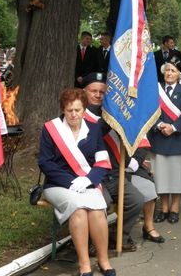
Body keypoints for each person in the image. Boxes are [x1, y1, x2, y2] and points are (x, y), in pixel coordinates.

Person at [38, 88, 116, 276]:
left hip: (86, 182)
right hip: (58, 184)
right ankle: (84, 264)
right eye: (69, 110)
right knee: (79, 210)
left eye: (78, 110)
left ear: (84, 110)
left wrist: (88, 180)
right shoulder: (51, 129)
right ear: (63, 109)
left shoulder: (94, 128)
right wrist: (71, 181)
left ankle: (104, 260)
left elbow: (102, 160)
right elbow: (45, 163)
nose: (74, 114)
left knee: (97, 210)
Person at [81, 72, 144, 251]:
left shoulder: (115, 113)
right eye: (93, 91)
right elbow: (95, 133)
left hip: (115, 174)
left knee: (136, 200)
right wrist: (113, 113)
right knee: (101, 203)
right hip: (92, 176)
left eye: (102, 92)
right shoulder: (77, 114)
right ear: (84, 91)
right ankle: (92, 242)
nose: (98, 95)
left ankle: (118, 237)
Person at [149, 58, 181, 224]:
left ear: (179, 75)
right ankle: (163, 208)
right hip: (159, 137)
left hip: (179, 139)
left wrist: (173, 128)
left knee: (178, 176)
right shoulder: (155, 89)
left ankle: (174, 209)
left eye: (173, 71)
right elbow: (149, 112)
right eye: (167, 70)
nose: (169, 73)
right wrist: (161, 125)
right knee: (161, 176)